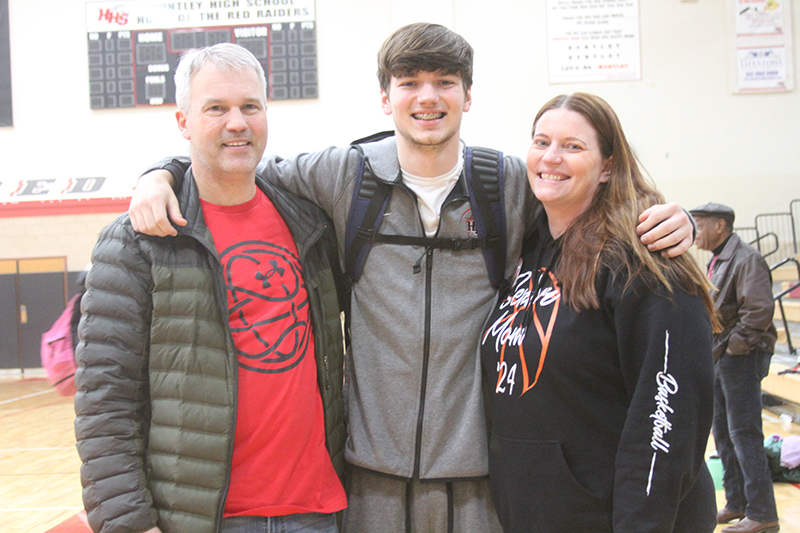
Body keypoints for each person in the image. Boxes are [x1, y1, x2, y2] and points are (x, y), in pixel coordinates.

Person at [128, 24, 696, 532]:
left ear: (467, 96)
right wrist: (162, 173)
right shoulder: (341, 174)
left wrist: (682, 218)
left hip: (483, 486)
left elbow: (591, 202)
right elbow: (235, 161)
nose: (427, 97)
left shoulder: (509, 183)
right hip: (370, 482)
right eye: (409, 82)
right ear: (385, 97)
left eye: (445, 81)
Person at [73, 43, 347, 533]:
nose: (236, 122)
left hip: (319, 511)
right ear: (183, 122)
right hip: (202, 519)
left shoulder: (310, 221)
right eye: (215, 108)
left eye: (250, 106)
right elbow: (105, 399)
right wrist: (129, 524)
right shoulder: (137, 240)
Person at [480, 92, 719, 532]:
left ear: (608, 166)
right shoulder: (527, 248)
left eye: (573, 146)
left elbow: (668, 420)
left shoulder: (646, 260)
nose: (552, 157)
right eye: (541, 142)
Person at [691, 202, 780, 533]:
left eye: (699, 225)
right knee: (724, 433)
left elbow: (758, 311)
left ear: (720, 226)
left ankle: (762, 513)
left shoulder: (747, 259)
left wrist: (733, 350)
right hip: (724, 355)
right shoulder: (719, 259)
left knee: (744, 433)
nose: (694, 232)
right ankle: (737, 502)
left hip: (742, 356)